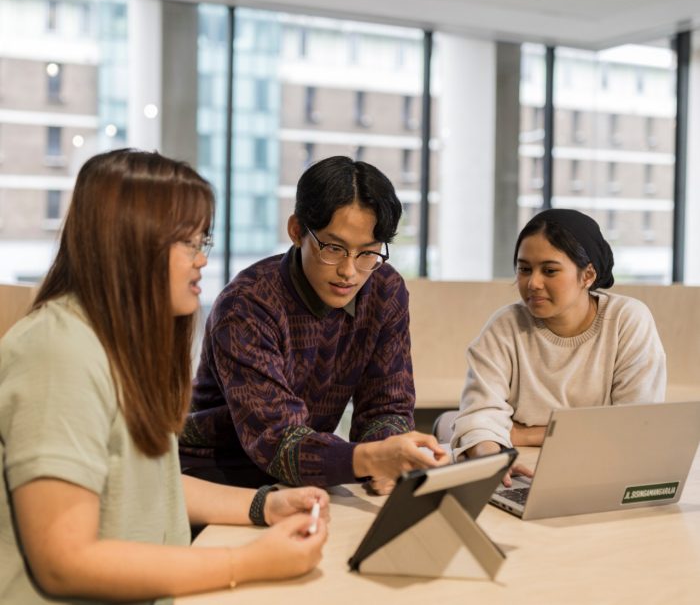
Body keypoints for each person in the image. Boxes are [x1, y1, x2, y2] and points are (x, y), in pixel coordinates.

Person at [0, 149, 328, 605]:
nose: (202, 260)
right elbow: (64, 561)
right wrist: (249, 563)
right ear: (134, 243)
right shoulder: (58, 352)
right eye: (189, 243)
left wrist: (264, 505)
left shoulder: (113, 343)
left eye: (203, 242)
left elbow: (150, 485)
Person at [179, 156, 446, 495]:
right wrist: (372, 458)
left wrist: (388, 455)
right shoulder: (248, 304)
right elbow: (277, 442)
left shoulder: (383, 290)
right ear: (296, 231)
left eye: (367, 253)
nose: (349, 271)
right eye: (334, 248)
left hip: (303, 478)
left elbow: (387, 406)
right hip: (214, 475)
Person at [451, 208, 666, 481]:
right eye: (524, 269)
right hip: (524, 473)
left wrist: (525, 434)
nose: (533, 283)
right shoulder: (505, 326)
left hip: (606, 472)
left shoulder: (627, 320)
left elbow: (634, 427)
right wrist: (493, 458)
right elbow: (478, 418)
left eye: (550, 270)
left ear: (587, 275)